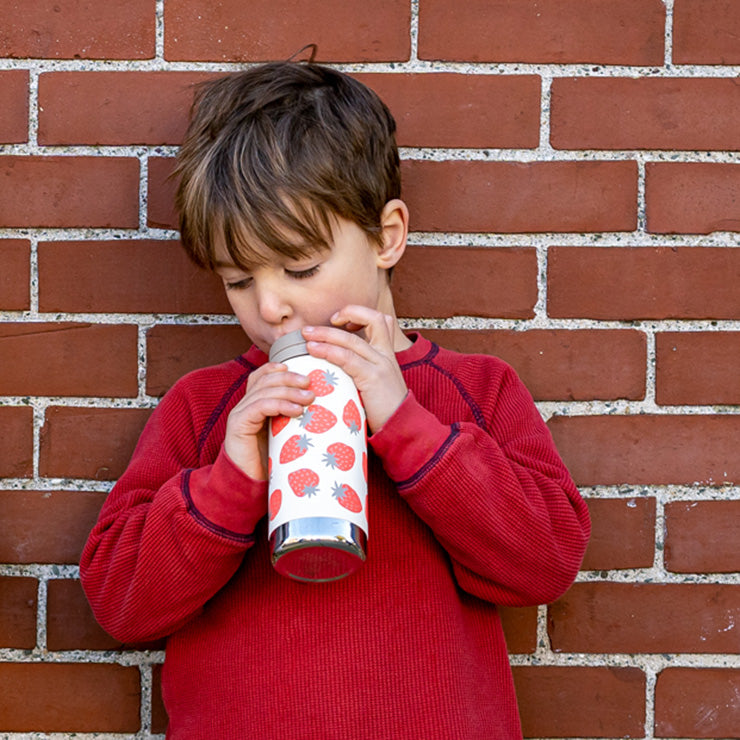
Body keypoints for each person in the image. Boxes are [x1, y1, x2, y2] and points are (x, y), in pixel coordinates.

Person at [80, 60, 590, 740]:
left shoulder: (474, 389)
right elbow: (120, 602)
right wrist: (231, 478)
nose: (269, 305)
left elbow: (545, 562)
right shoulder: (209, 407)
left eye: (299, 268)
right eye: (237, 281)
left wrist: (407, 423)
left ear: (387, 237)